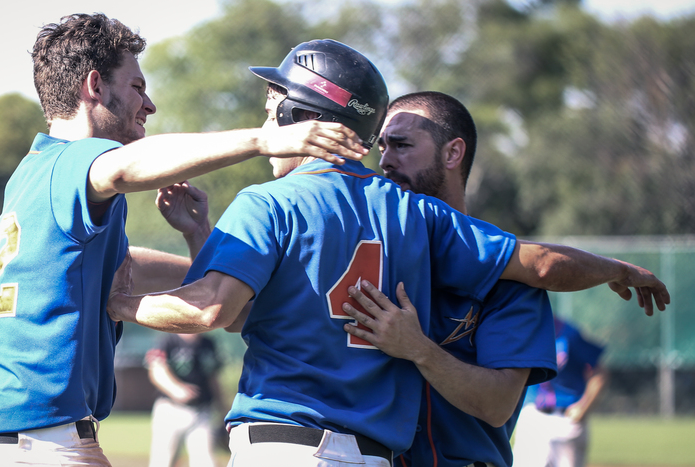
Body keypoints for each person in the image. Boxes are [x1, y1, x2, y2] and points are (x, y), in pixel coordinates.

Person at [106, 39, 669, 467]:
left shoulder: (268, 201)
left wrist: (117, 300)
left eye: (272, 105)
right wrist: (616, 269)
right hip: (372, 454)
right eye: (385, 143)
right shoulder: (418, 217)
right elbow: (252, 308)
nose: (386, 159)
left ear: (292, 117)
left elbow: (211, 310)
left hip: (286, 441)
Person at [0, 14, 369, 467]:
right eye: (138, 87)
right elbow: (125, 167)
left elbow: (126, 269)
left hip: (3, 439)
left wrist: (227, 269)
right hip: (35, 445)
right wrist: (265, 140)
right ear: (95, 87)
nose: (150, 105)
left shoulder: (34, 174)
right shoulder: (74, 161)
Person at [339, 90, 557, 467]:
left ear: (452, 153)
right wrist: (204, 240)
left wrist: (418, 348)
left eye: (402, 145)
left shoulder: (508, 276)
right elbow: (252, 317)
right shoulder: (369, 256)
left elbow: (496, 405)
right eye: (382, 148)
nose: (386, 162)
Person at [512, 317, 608, 467]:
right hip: (532, 418)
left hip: (566, 420)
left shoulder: (569, 334)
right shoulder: (520, 330)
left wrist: (584, 406)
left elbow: (599, 373)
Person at [145, 332, 225, 467]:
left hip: (201, 411)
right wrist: (176, 389)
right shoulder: (168, 340)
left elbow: (213, 377)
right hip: (170, 410)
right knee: (162, 461)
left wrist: (222, 406)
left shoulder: (207, 343)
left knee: (205, 461)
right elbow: (156, 370)